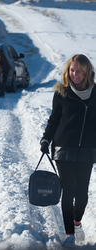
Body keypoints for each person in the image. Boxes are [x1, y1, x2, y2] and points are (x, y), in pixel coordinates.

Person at [40, 54, 96, 247]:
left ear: (87, 71)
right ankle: (70, 234)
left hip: (88, 150)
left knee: (82, 194)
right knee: (69, 190)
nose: (75, 74)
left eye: (79, 70)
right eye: (72, 70)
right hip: (64, 148)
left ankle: (77, 220)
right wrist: (46, 138)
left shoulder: (95, 93)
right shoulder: (62, 93)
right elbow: (54, 119)